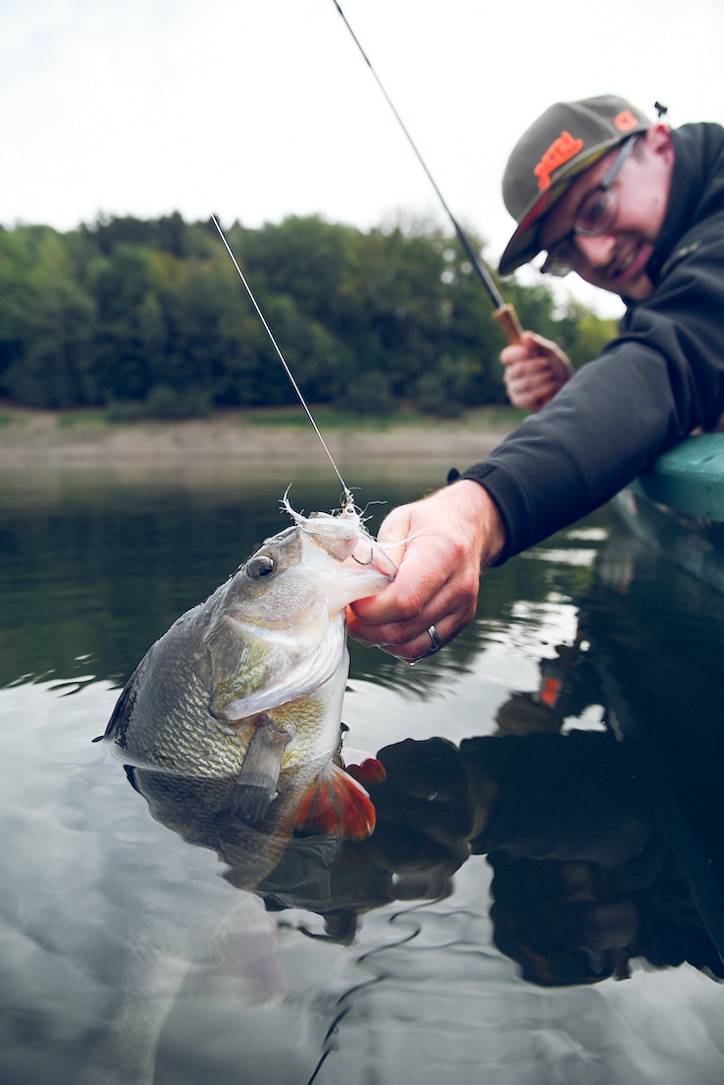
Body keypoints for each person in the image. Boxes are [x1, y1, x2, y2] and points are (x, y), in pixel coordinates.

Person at [348, 94, 724, 661]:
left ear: (657, 144)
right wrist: (573, 393)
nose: (596, 253)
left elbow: (667, 363)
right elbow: (668, 359)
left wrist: (477, 508)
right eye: (566, 250)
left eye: (596, 209)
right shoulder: (666, 278)